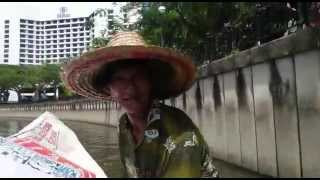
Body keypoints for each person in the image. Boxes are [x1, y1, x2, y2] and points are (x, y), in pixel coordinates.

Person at [61, 31, 219, 178]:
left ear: (151, 81)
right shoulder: (124, 125)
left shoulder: (179, 134)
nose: (130, 88)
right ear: (108, 88)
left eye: (138, 77)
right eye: (119, 79)